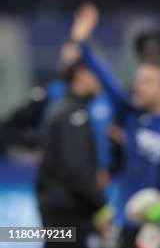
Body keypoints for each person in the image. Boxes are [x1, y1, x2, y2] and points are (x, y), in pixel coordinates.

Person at [70, 4, 160, 248]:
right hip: (128, 226)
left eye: (147, 81)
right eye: (138, 80)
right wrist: (83, 43)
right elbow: (109, 82)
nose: (138, 86)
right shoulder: (133, 116)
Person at [36, 57, 109, 248]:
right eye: (96, 74)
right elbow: (75, 169)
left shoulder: (63, 108)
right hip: (66, 212)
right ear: (81, 76)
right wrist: (100, 205)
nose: (100, 80)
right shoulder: (73, 114)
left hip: (57, 208)